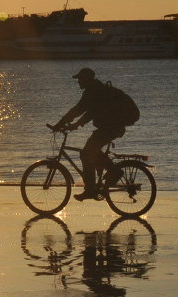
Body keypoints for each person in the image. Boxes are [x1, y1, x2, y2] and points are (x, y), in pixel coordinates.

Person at [51, 67, 130, 200]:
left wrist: (60, 125)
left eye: (80, 79)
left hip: (111, 127)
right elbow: (88, 112)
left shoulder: (93, 92)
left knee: (87, 152)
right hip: (111, 127)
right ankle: (98, 182)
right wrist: (76, 124)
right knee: (90, 152)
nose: (78, 82)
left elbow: (78, 110)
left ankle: (102, 181)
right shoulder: (97, 90)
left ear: (86, 80)